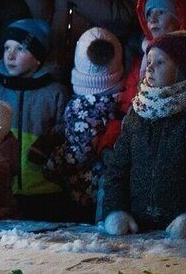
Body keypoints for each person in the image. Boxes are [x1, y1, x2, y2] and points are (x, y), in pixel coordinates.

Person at [100, 31, 186, 240]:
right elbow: (118, 170)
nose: (149, 68)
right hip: (137, 232)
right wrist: (116, 210)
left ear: (182, 68)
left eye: (159, 62)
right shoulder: (138, 111)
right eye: (149, 60)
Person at [0, 19, 70, 220]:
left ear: (38, 58)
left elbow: (67, 127)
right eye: (7, 48)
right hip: (3, 191)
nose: (10, 55)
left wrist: (49, 141)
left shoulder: (55, 93)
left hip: (47, 190)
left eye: (20, 48)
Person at [42, 27, 125, 220]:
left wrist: (51, 164)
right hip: (112, 187)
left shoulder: (82, 106)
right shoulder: (122, 99)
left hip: (85, 190)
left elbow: (79, 152)